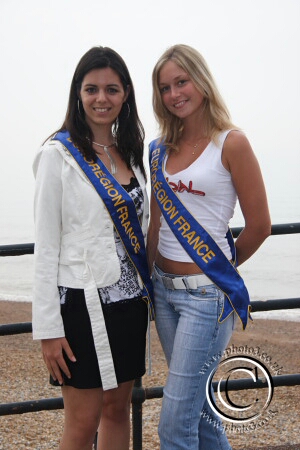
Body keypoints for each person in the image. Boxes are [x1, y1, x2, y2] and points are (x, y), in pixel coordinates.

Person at [147, 44, 271, 450]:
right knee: (199, 413)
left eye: (181, 82)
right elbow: (155, 223)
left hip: (206, 298)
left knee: (173, 426)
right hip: (164, 293)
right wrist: (148, 283)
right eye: (165, 87)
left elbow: (259, 226)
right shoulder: (158, 149)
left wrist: (217, 270)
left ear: (200, 81)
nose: (174, 94)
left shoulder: (231, 143)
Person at [32, 46, 153, 450]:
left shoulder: (131, 154)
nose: (102, 98)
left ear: (125, 95)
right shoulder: (58, 156)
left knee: (118, 411)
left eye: (112, 89)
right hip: (83, 307)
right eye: (92, 89)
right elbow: (46, 247)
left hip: (130, 301)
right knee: (82, 424)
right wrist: (48, 330)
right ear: (78, 94)